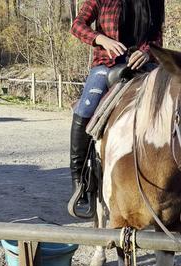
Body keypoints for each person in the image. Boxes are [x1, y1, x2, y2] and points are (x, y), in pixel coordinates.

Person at [68, 0, 165, 218]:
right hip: (107, 64)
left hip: (144, 65)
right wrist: (101, 39)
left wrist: (147, 53)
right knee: (86, 109)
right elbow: (77, 25)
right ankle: (80, 182)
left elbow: (157, 36)